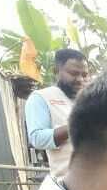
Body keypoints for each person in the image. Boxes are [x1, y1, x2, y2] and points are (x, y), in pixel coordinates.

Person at [24, 48, 89, 178]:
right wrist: (76, 125)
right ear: (56, 71)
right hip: (68, 182)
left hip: (99, 179)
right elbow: (37, 138)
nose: (80, 79)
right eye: (74, 73)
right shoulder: (42, 98)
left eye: (84, 75)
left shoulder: (90, 98)